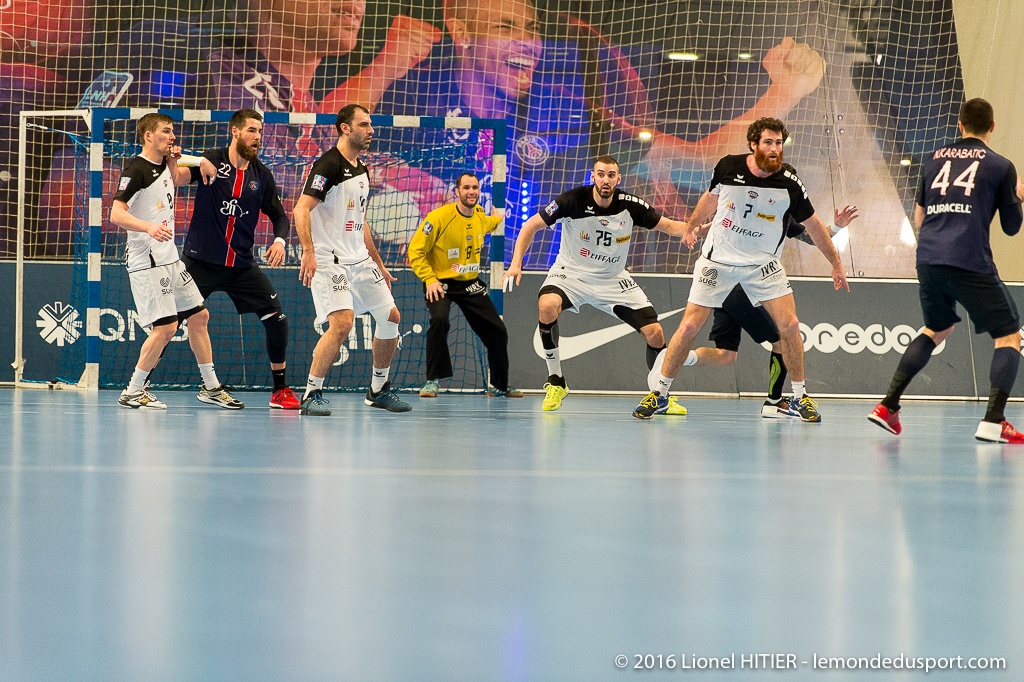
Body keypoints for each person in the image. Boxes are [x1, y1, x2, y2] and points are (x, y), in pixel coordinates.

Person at [375, 0, 826, 266]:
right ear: (461, 32)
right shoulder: (412, 96)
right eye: (504, 27)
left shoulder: (573, 112)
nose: (527, 42)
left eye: (531, 28)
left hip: (546, 278)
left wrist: (783, 94)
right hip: (431, 278)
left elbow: (700, 158)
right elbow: (320, 146)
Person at [632, 117, 848, 421]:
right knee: (690, 326)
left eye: (779, 143)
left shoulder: (789, 183)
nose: (774, 149)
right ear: (754, 144)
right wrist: (691, 227)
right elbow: (709, 199)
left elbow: (812, 227)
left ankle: (799, 397)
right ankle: (660, 394)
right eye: (768, 143)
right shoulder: (728, 167)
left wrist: (836, 264)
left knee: (790, 327)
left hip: (762, 267)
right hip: (717, 262)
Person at [869, 98, 1024, 442]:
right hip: (968, 259)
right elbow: (1012, 228)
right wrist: (1017, 197)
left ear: (960, 124)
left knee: (936, 329)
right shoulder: (1000, 166)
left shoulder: (934, 159)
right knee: (1009, 335)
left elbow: (919, 216)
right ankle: (994, 421)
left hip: (928, 258)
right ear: (992, 127)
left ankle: (887, 406)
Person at [503, 155, 689, 412]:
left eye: (611, 175)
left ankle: (661, 396)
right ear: (593, 177)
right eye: (601, 174)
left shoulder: (630, 205)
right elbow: (530, 226)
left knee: (655, 333)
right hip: (571, 274)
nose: (605, 179)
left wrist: (694, 229)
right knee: (547, 305)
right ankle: (556, 380)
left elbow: (669, 226)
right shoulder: (571, 200)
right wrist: (515, 263)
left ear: (618, 179)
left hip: (613, 278)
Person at [110, 113, 244, 410]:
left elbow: (176, 169)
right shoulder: (137, 169)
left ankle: (211, 387)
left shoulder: (164, 166)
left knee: (199, 317)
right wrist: (148, 227)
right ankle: (133, 391)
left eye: (173, 131)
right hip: (148, 260)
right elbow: (115, 214)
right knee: (167, 328)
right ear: (148, 136)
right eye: (166, 131)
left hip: (170, 259)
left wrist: (195, 160)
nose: (172, 136)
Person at [170, 108, 300, 410]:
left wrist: (280, 241)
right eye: (252, 130)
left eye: (260, 131)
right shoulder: (211, 160)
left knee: (276, 317)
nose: (258, 137)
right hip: (201, 262)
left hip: (241, 266)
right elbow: (176, 178)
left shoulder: (261, 176)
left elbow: (280, 216)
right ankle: (140, 386)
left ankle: (280, 391)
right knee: (169, 323)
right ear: (235, 132)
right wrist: (182, 157)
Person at [674, 208, 859, 418]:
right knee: (782, 340)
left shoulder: (780, 210)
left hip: (723, 291)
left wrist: (836, 226)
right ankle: (774, 402)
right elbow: (713, 227)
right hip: (740, 287)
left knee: (726, 355)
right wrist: (696, 229)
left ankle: (675, 358)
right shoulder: (742, 203)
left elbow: (811, 236)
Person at [293, 104, 411, 416]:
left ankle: (377, 390)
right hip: (330, 260)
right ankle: (311, 394)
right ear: (346, 128)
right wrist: (308, 251)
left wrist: (380, 264)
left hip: (360, 260)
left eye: (370, 125)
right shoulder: (327, 166)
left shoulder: (362, 168)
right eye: (364, 124)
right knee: (342, 323)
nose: (371, 130)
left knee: (391, 317)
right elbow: (301, 209)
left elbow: (361, 222)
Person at [407, 171, 523, 399]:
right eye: (467, 188)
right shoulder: (438, 217)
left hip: (469, 284)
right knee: (439, 319)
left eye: (475, 188)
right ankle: (432, 381)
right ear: (457, 192)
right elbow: (415, 250)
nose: (471, 192)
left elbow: (487, 223)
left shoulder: (479, 215)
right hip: (440, 283)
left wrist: (498, 218)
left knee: (498, 331)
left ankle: (499, 385)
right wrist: (430, 279)